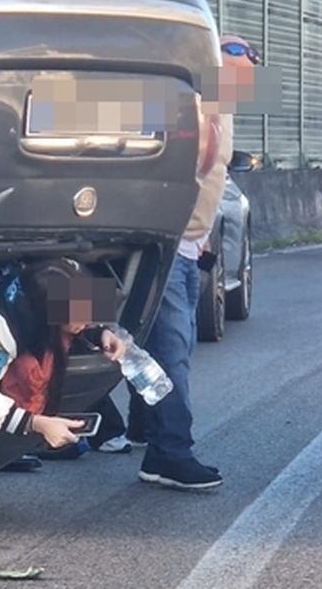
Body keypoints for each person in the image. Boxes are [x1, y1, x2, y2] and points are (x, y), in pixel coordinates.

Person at [93, 34, 258, 487]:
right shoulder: (183, 102)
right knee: (172, 352)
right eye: (230, 71)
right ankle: (170, 453)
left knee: (168, 347)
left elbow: (209, 177)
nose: (239, 82)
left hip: (188, 246)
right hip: (163, 247)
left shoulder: (223, 111)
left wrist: (202, 238)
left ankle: (147, 426)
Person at [0, 258, 127, 450]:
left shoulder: (69, 275)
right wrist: (35, 423)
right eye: (81, 319)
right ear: (50, 314)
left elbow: (83, 314)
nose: (87, 323)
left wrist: (100, 333)